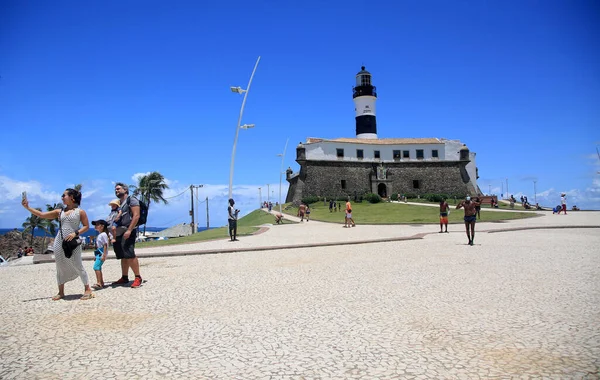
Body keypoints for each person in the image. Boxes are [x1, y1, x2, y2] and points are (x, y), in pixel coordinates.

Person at [21, 188, 94, 300]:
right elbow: (42, 214)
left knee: (77, 263)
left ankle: (87, 289)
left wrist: (75, 233)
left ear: (72, 197)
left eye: (64, 195)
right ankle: (61, 292)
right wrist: (27, 207)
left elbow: (86, 226)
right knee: (59, 266)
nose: (62, 197)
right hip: (59, 241)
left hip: (73, 242)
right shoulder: (59, 212)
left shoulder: (80, 212)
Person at [113, 183, 143, 288]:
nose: (116, 191)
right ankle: (124, 277)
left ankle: (138, 277)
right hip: (121, 231)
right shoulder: (120, 203)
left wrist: (129, 230)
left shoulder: (132, 200)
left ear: (125, 190)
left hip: (128, 230)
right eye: (115, 189)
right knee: (123, 255)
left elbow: (136, 215)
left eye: (118, 189)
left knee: (130, 254)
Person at [91, 219, 109, 289]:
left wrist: (104, 255)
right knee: (98, 267)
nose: (95, 226)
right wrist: (96, 256)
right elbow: (99, 246)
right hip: (99, 252)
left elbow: (105, 245)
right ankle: (101, 282)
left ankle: (99, 283)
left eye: (97, 225)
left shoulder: (103, 234)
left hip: (101, 253)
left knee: (96, 267)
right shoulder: (100, 234)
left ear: (102, 226)